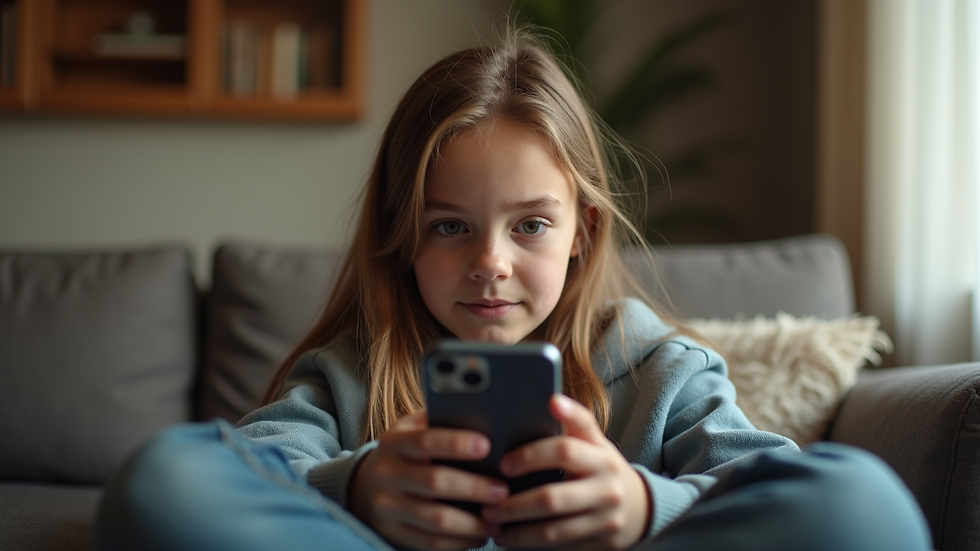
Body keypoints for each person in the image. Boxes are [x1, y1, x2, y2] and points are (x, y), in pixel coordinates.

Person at [96, 26, 931, 551]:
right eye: (448, 226)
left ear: (582, 233)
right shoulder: (352, 372)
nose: (489, 262)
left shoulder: (659, 368)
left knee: (863, 502)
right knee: (164, 477)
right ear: (403, 235)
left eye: (530, 224)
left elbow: (763, 480)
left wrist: (643, 506)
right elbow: (249, 465)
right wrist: (361, 488)